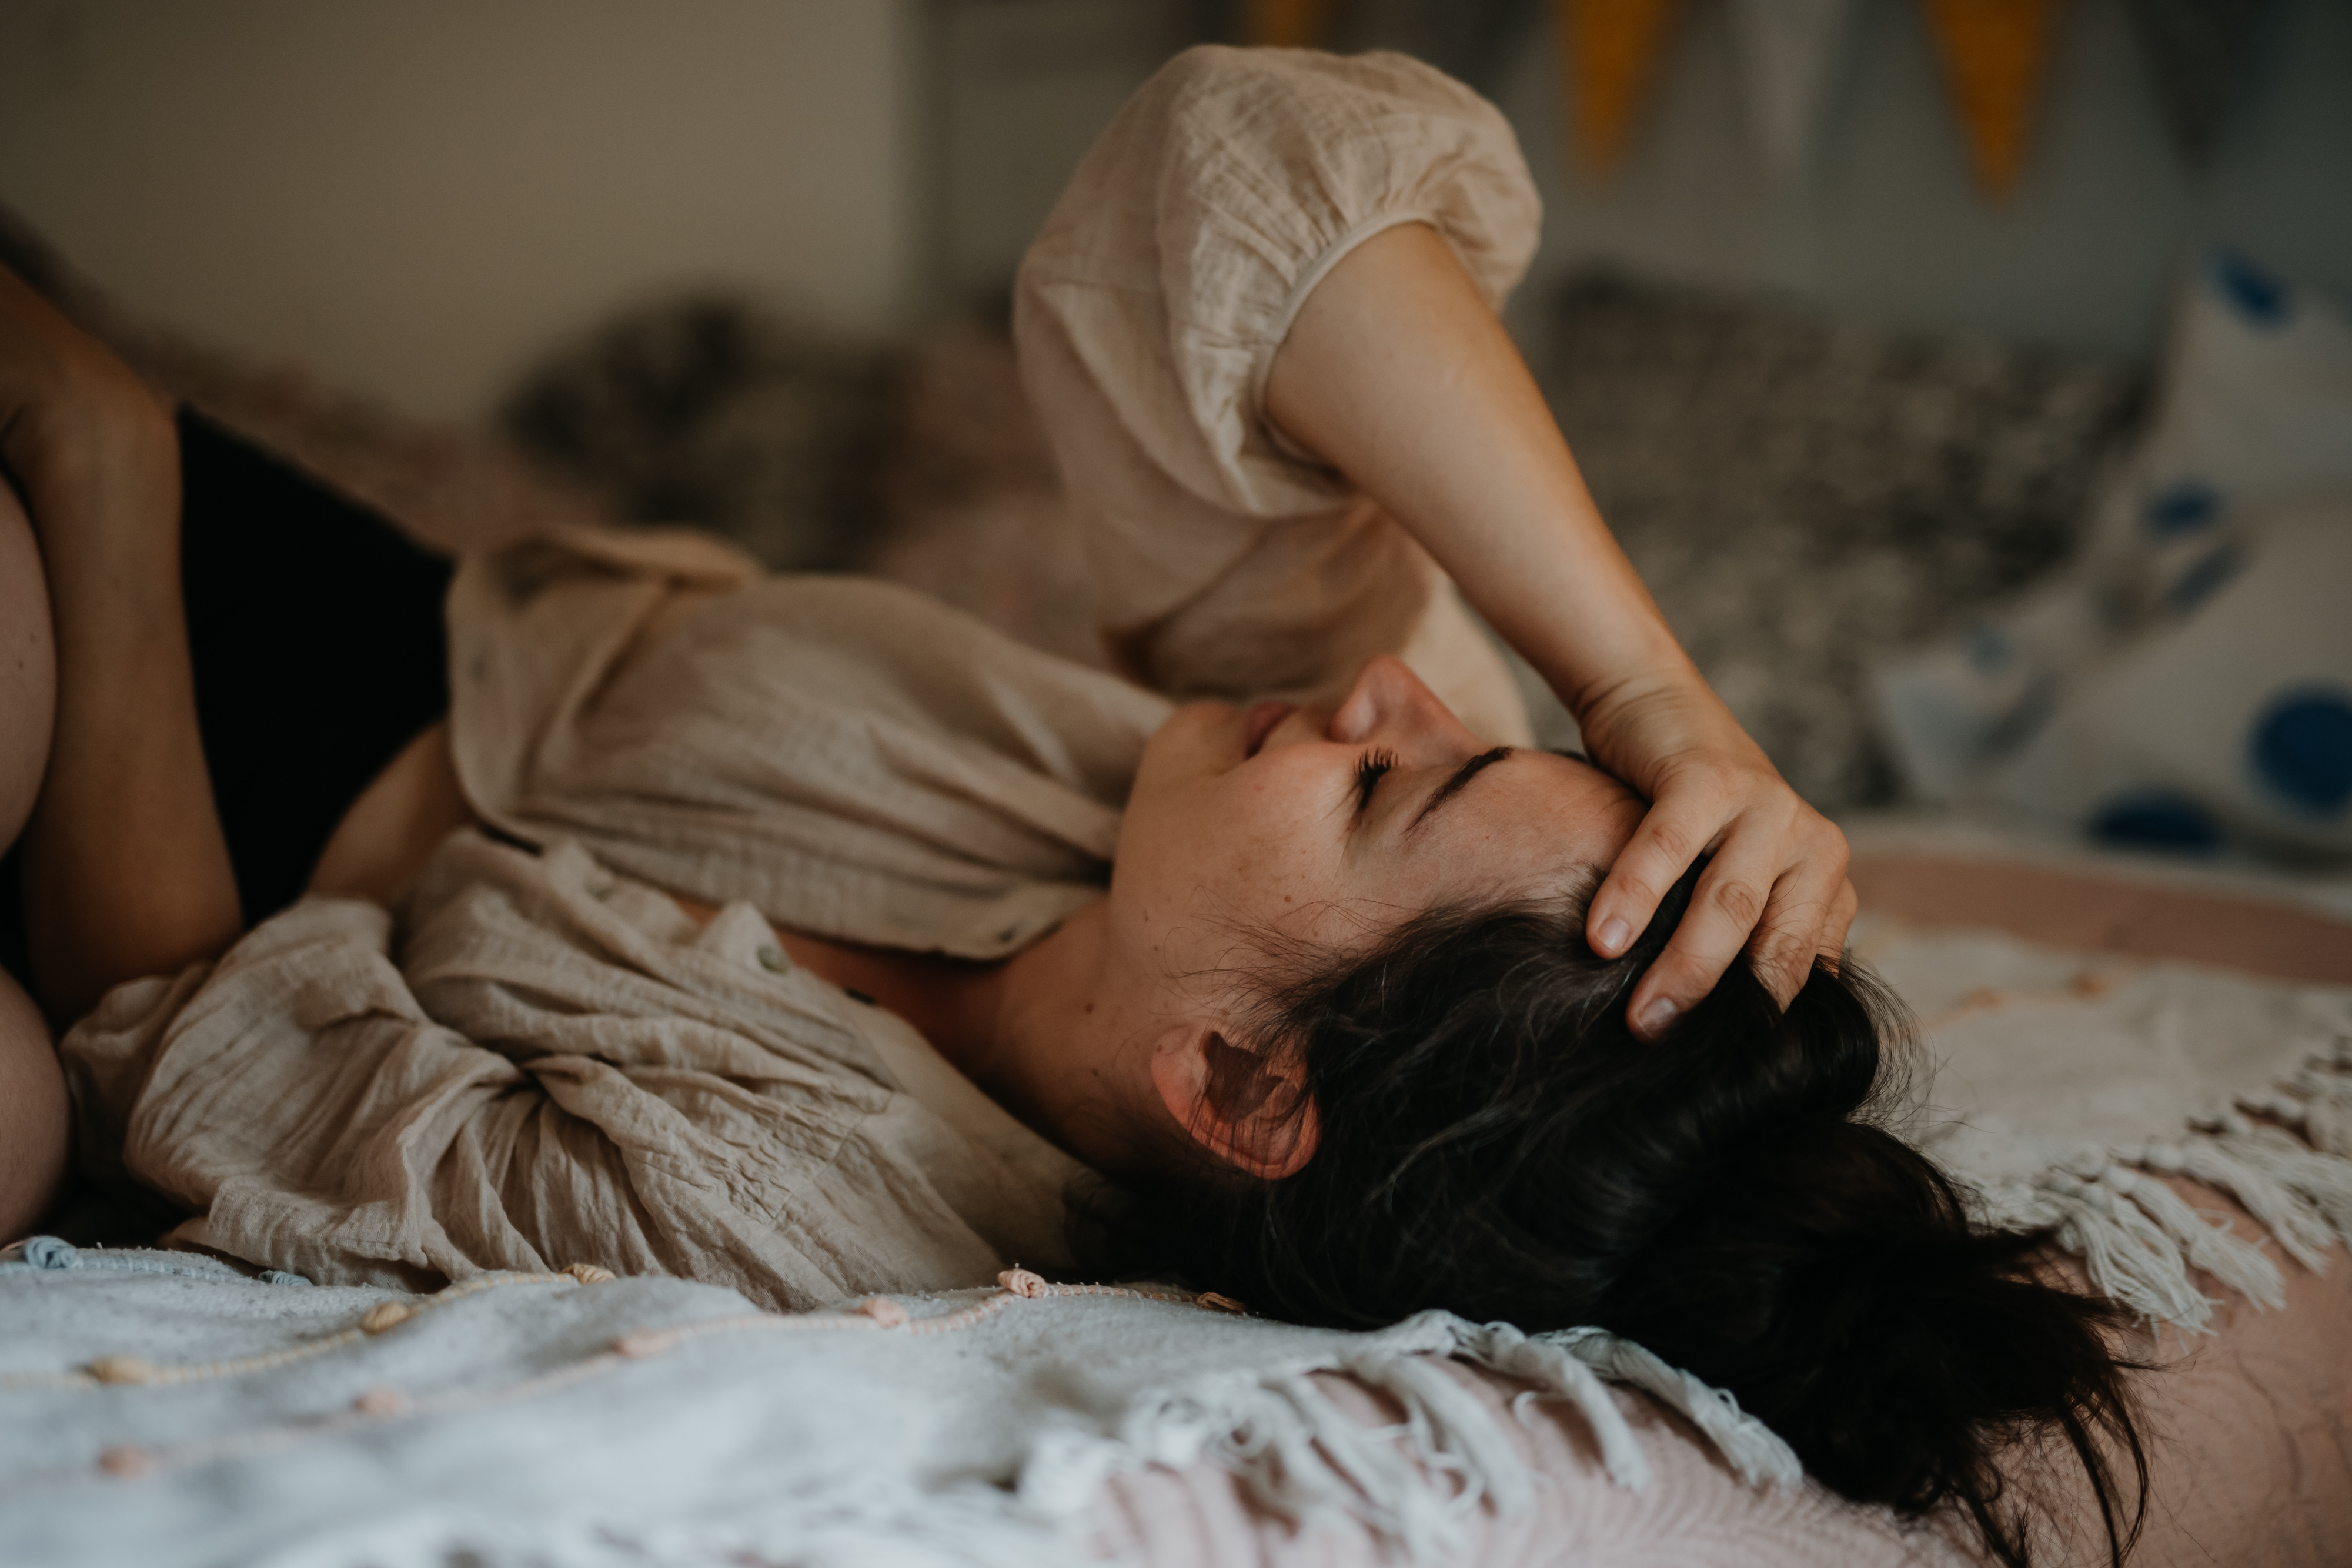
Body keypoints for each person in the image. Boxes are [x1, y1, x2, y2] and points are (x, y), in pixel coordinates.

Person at [0, 47, 2139, 1567]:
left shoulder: (806, 1207)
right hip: (342, 605)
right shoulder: (1241, 823)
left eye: (1400, 777)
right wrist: (1646, 692)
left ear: (1243, 1083)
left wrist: (104, 471)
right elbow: (1227, 182)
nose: (1380, 688)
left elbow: (169, 1037)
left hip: (145, 781)